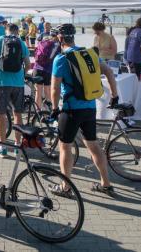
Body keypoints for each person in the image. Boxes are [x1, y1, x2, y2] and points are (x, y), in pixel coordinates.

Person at [51, 23, 117, 196]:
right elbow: (109, 71)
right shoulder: (89, 54)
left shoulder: (61, 58)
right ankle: (106, 183)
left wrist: (53, 107)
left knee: (65, 147)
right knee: (94, 145)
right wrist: (114, 95)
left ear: (60, 38)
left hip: (71, 109)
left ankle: (65, 188)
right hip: (90, 107)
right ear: (73, 37)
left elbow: (55, 89)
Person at [0, 23, 30, 157]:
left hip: (2, 82)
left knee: (1, 114)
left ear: (6, 30)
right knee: (17, 114)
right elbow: (28, 65)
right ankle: (17, 146)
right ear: (17, 32)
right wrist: (21, 75)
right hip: (18, 83)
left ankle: (3, 148)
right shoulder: (21, 43)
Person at [31, 28, 59, 112]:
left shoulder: (42, 41)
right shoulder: (57, 45)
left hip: (37, 68)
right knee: (47, 92)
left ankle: (38, 112)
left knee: (38, 92)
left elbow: (35, 54)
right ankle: (49, 112)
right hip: (48, 70)